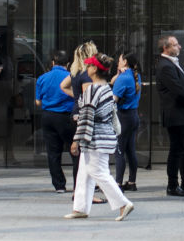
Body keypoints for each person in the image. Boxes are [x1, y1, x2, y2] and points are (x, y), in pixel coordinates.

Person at [64, 53, 135, 221]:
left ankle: (123, 203)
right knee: (85, 172)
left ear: (95, 69)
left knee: (98, 172)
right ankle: (80, 208)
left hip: (94, 138)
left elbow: (86, 116)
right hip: (104, 136)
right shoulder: (106, 89)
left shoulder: (92, 90)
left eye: (89, 65)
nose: (87, 68)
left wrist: (76, 140)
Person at [156, 34, 184, 197]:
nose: (179, 47)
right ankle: (173, 185)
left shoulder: (172, 64)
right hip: (175, 114)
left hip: (183, 112)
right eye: (175, 45)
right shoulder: (165, 66)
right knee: (177, 149)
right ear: (165, 48)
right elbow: (177, 90)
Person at [61, 41, 99, 195]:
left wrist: (77, 98)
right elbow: (89, 101)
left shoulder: (75, 73)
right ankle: (82, 191)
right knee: (86, 156)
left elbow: (63, 86)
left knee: (80, 157)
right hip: (83, 117)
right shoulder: (87, 76)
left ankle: (80, 190)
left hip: (75, 114)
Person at [35, 50, 74, 193]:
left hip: (48, 116)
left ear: (53, 62)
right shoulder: (70, 77)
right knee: (75, 149)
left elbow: (38, 102)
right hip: (65, 116)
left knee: (53, 152)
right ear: (68, 64)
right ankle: (79, 183)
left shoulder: (42, 78)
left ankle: (59, 185)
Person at [111, 51, 142, 191]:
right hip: (133, 115)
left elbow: (114, 99)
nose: (117, 63)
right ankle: (132, 182)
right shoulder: (136, 76)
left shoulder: (123, 78)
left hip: (123, 117)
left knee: (119, 151)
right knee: (130, 150)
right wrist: (118, 73)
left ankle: (118, 183)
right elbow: (114, 81)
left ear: (125, 62)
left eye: (119, 60)